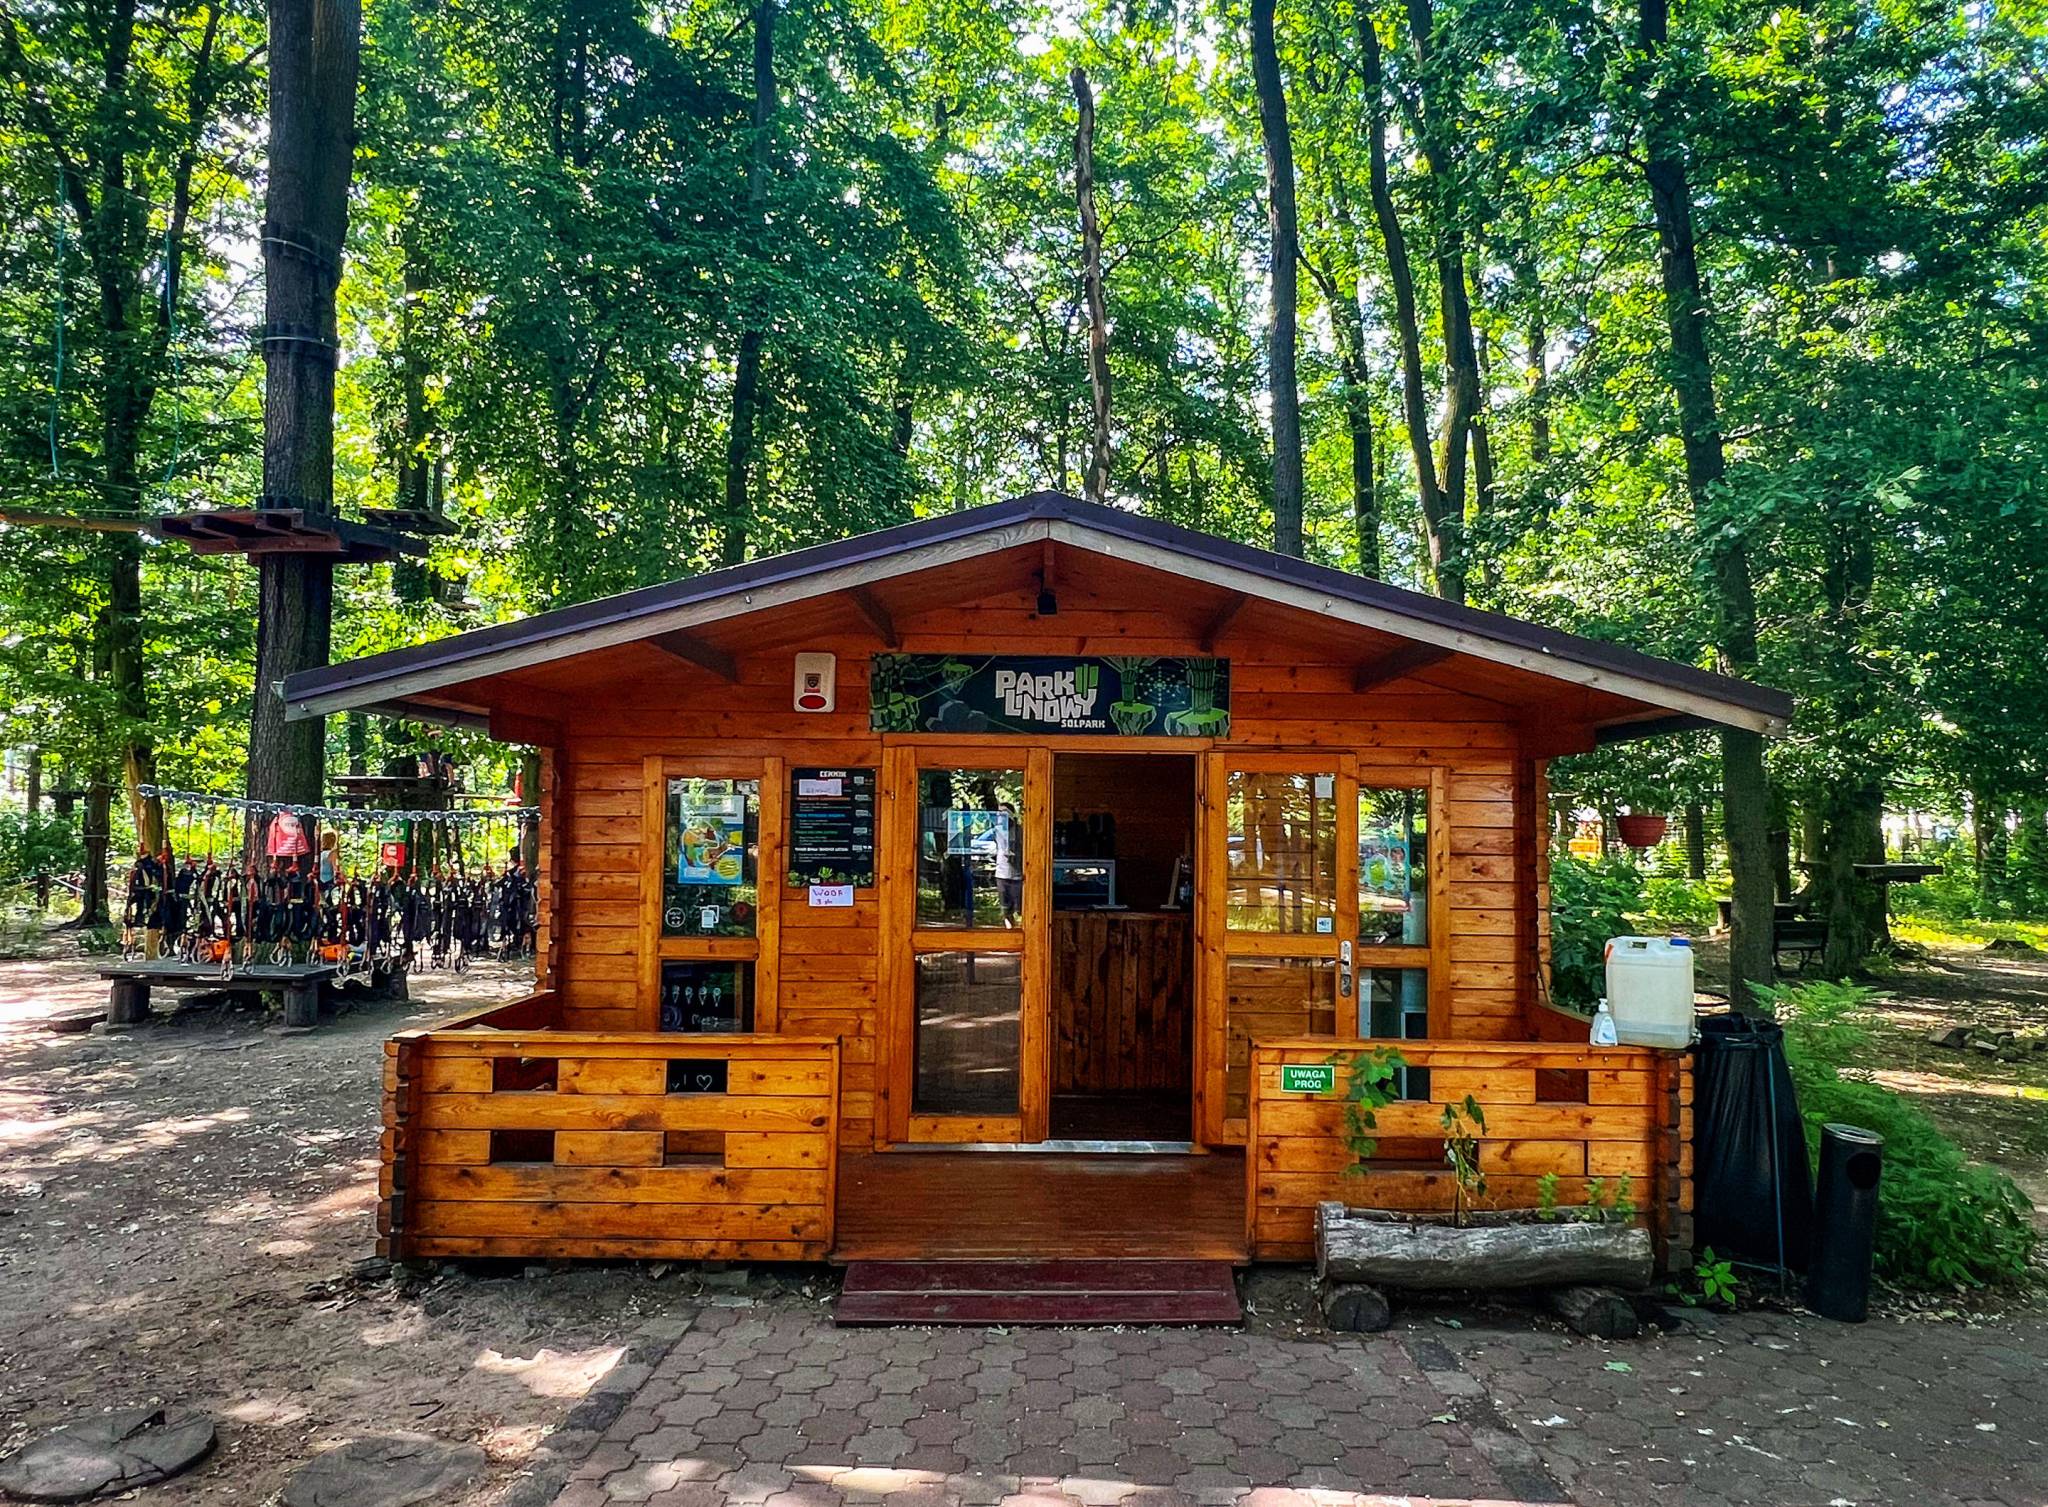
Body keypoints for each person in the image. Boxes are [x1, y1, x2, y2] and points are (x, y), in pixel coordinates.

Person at [994, 800, 1022, 927]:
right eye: (998, 812)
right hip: (1001, 872)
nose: (1000, 815)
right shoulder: (997, 830)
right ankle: (1009, 929)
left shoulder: (1020, 830)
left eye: (1004, 812)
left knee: (1019, 907)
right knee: (1005, 908)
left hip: (1017, 874)